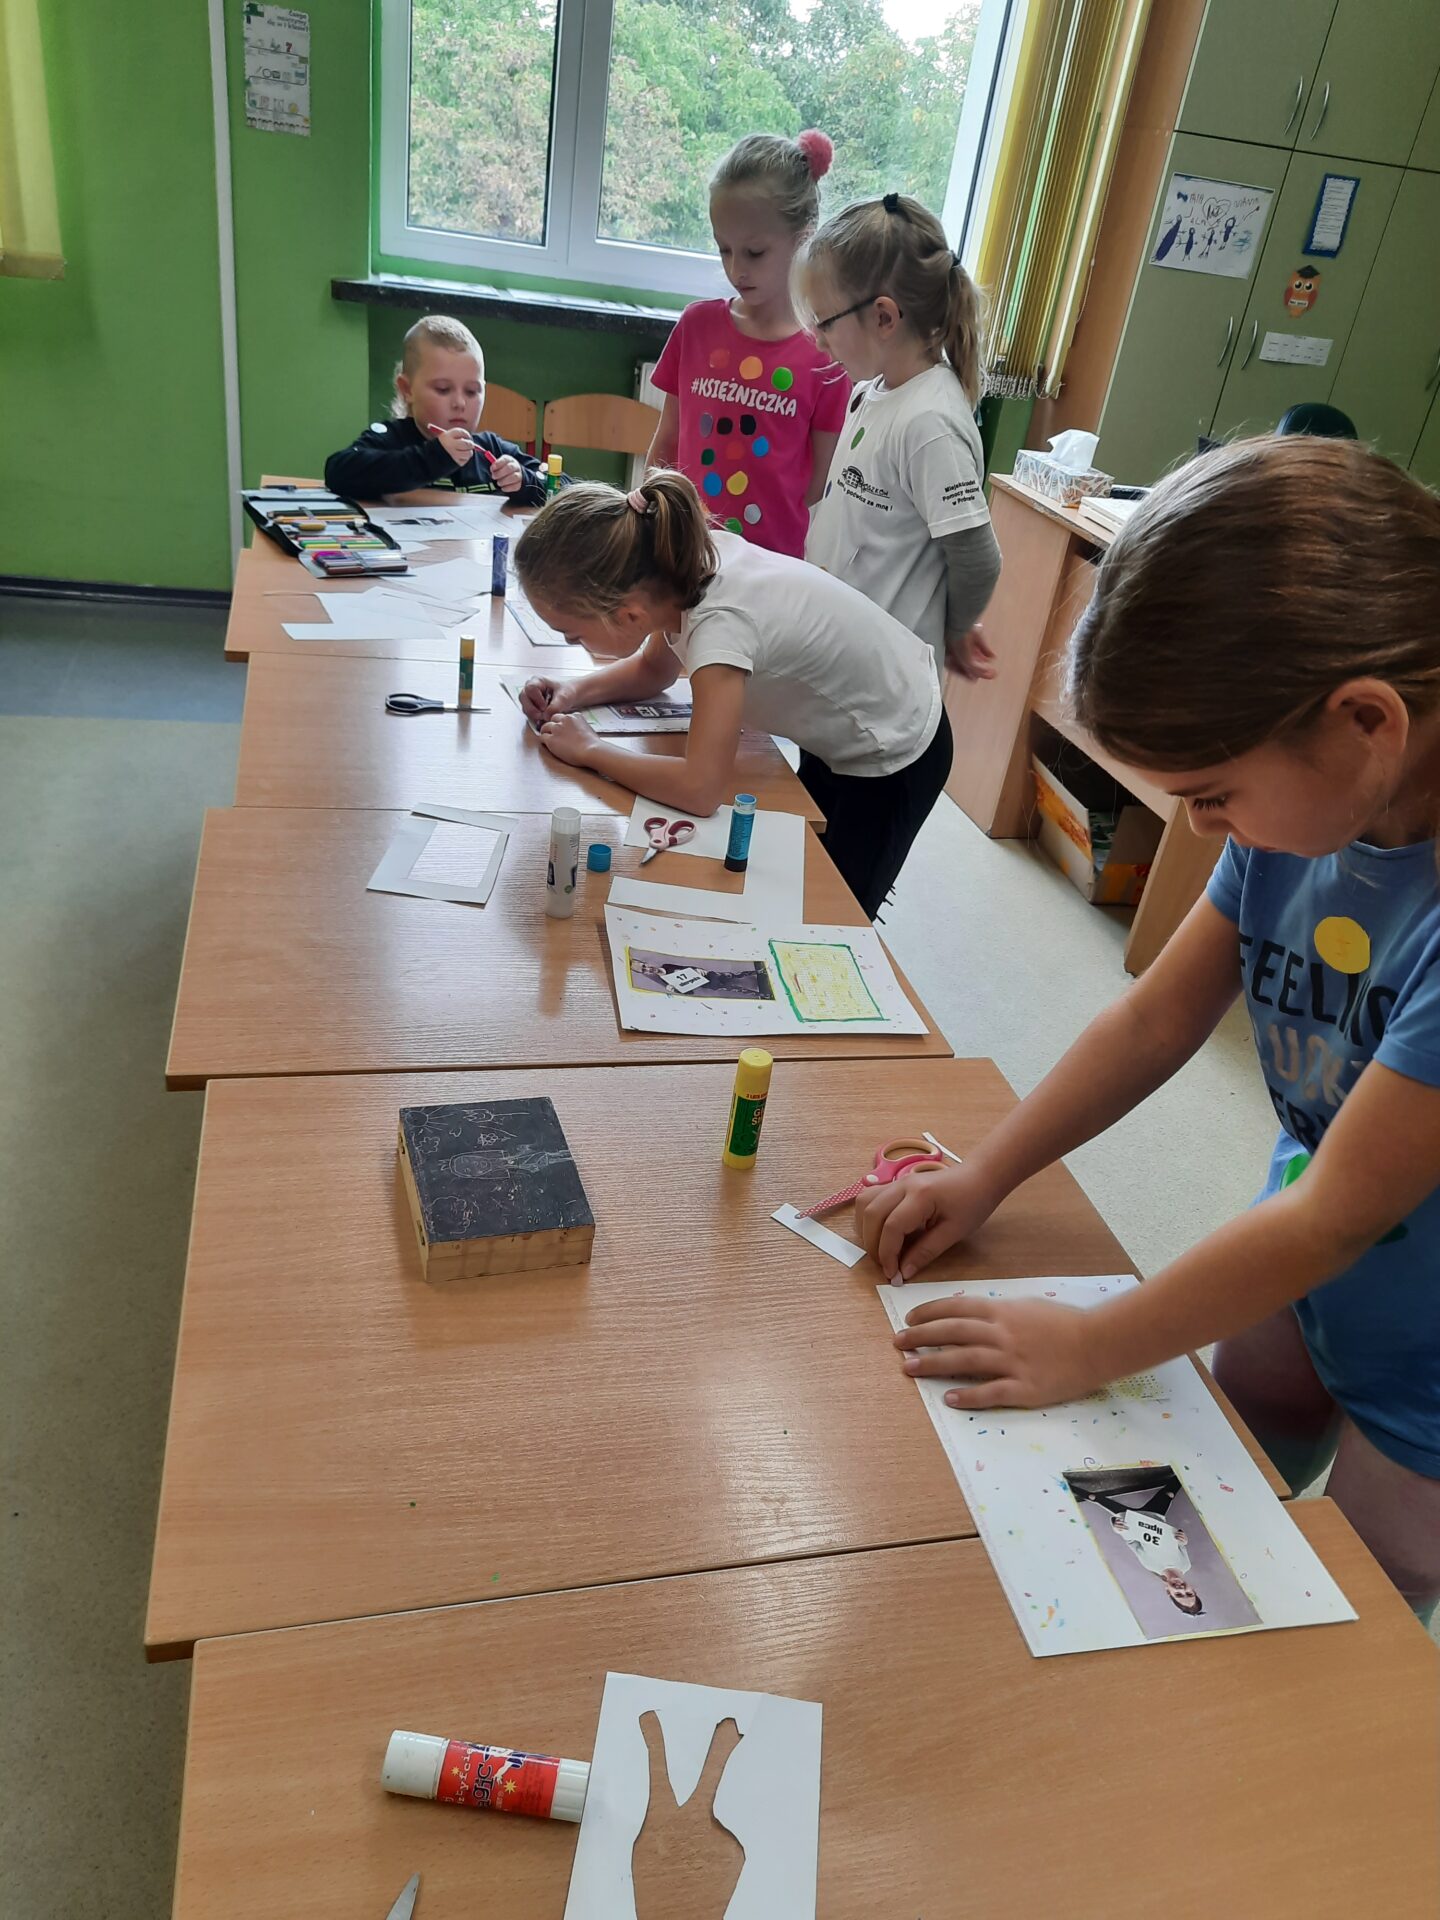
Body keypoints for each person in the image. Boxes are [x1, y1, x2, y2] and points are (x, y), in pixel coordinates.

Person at [857, 436, 1440, 1620]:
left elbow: (1340, 1216)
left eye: (1213, 796)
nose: (1206, 830)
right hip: (1309, 1238)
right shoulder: (1314, 810)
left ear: (1365, 722)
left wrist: (1090, 1344)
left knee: (1366, 1609)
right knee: (1223, 1479)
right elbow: (1156, 1020)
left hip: (1419, 1336)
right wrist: (987, 1171)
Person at [514, 471, 951, 918]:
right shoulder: (678, 568)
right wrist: (572, 691)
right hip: (848, 719)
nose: (572, 644)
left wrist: (590, 750)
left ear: (629, 615)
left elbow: (701, 788)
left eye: (572, 636)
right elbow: (653, 670)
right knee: (804, 872)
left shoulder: (720, 628)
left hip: (895, 747)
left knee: (835, 910)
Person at [798, 191, 999, 682]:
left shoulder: (930, 424)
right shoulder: (870, 393)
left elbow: (977, 557)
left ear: (884, 318)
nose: (817, 340)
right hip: (841, 665)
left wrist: (953, 629)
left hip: (884, 688)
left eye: (826, 323)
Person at [646, 131, 849, 559]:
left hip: (770, 567)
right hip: (684, 554)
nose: (737, 269)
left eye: (755, 252)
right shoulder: (696, 325)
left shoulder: (827, 354)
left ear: (804, 237)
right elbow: (666, 445)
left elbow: (819, 484)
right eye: (724, 250)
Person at [325, 315, 546, 505]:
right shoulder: (391, 439)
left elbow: (559, 485)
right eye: (443, 389)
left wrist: (524, 481)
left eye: (472, 391)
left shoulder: (491, 448)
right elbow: (338, 472)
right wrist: (434, 458)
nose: (460, 403)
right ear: (407, 389)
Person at [1079, 1475, 1204, 1617]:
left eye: (1179, 1594)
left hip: (1130, 1519)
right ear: (1193, 1589)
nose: (1181, 1589)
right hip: (1155, 1514)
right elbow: (1180, 1544)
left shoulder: (1150, 1565)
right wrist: (1183, 1540)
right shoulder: (1185, 1565)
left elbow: (1132, 1542)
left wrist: (1119, 1529)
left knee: (1094, 1498)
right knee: (1172, 1489)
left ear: (1168, 1592)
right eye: (1188, 1593)